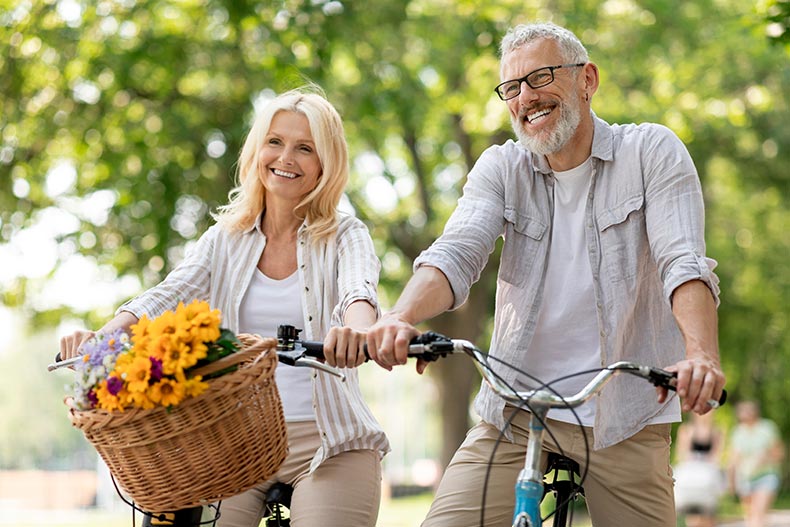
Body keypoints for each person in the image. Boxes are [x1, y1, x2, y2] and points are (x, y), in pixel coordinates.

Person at [365, 22, 726, 527]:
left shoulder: (651, 152)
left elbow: (682, 262)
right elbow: (458, 250)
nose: (525, 98)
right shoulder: (501, 168)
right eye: (511, 88)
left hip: (624, 416)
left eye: (540, 77)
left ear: (587, 80)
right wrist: (399, 316)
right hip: (514, 412)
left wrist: (701, 356)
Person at [60, 87, 389, 527]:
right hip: (237, 440)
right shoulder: (226, 237)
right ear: (258, 150)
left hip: (331, 442)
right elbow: (168, 295)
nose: (286, 157)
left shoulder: (346, 235)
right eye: (275, 142)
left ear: (326, 165)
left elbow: (358, 291)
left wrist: (359, 332)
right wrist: (102, 339)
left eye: (305, 148)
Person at [728, 401, 784, 527]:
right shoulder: (738, 432)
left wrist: (766, 457)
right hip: (745, 478)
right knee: (750, 516)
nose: (745, 413)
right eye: (743, 410)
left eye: (748, 410)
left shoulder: (767, 427)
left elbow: (779, 453)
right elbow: (733, 459)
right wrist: (731, 480)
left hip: (766, 475)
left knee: (759, 512)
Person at [674, 412, 726, 527]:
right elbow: (682, 453)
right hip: (691, 476)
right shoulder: (687, 430)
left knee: (708, 514)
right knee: (693, 515)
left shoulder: (716, 431)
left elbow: (716, 454)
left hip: (708, 477)